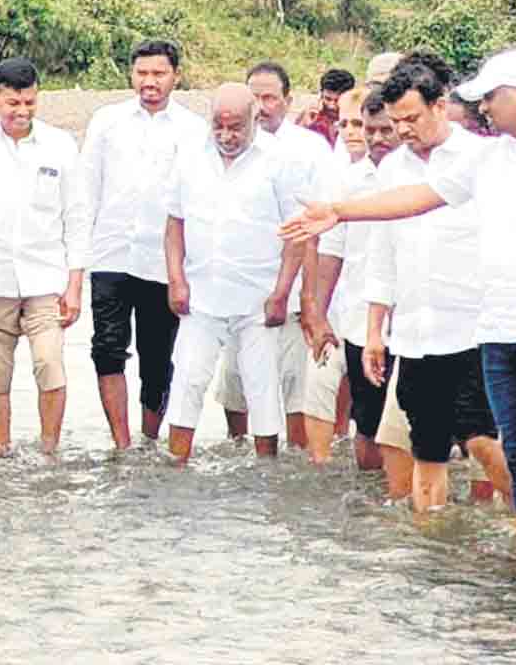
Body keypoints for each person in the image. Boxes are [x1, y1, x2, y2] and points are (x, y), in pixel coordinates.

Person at [281, 48, 516, 546]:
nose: (481, 109)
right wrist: (340, 212)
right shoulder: (489, 157)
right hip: (495, 330)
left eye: (490, 98)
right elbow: (416, 199)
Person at [364, 59, 511, 514]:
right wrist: (375, 333)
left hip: (475, 329)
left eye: (412, 118)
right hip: (414, 334)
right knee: (425, 451)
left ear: (441, 106)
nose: (403, 129)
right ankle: (432, 553)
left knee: (481, 439)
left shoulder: (483, 159)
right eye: (396, 122)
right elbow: (381, 255)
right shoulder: (391, 169)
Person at [163, 83, 305, 462]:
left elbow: (297, 233)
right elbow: (174, 223)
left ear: (255, 119)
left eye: (236, 127)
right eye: (219, 126)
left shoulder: (279, 161)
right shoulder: (190, 156)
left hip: (258, 298)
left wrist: (282, 292)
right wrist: (175, 279)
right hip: (201, 295)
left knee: (261, 386)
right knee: (188, 380)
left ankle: (267, 470)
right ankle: (175, 466)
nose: (226, 136)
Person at [79, 40, 205, 449]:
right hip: (110, 254)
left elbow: (195, 204)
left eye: (159, 74)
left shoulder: (192, 130)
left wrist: (187, 271)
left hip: (162, 262)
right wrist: (79, 262)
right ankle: (122, 444)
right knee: (107, 350)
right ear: (131, 74)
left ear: (176, 76)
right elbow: (87, 192)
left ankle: (150, 440)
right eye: (142, 73)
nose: (149, 82)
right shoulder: (106, 121)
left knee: (157, 360)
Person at [0, 57, 89, 457]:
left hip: (47, 280)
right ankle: (0, 450)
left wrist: (75, 286)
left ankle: (49, 450)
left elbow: (76, 218)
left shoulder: (60, 145)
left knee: (49, 363)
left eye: (29, 103)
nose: (21, 112)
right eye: (13, 104)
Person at [302, 87, 414, 488]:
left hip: (415, 327)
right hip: (358, 323)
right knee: (365, 432)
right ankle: (370, 508)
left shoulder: (423, 180)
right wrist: (315, 314)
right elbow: (330, 256)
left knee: (410, 432)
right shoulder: (347, 183)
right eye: (371, 130)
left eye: (386, 129)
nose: (378, 138)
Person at [214, 62, 330, 449]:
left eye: (270, 98)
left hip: (294, 287)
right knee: (234, 379)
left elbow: (315, 227)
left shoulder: (309, 148)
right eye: (255, 97)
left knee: (295, 382)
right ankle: (238, 449)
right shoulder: (225, 147)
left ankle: (294, 459)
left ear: (288, 100)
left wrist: (309, 300)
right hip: (239, 289)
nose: (262, 106)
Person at [296, 68, 356, 148]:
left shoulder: (356, 120)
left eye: (337, 100)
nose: (332, 105)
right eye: (328, 99)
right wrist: (305, 126)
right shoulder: (310, 115)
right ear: (321, 95)